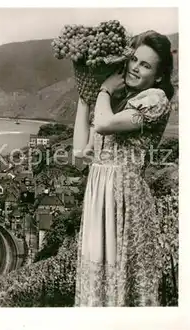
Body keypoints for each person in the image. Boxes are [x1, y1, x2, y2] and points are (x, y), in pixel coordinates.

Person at [72, 30, 175, 306]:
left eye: (146, 65)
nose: (135, 68)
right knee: (98, 284)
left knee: (122, 284)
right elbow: (80, 152)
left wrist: (104, 89)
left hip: (125, 201)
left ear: (160, 76)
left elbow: (104, 125)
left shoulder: (156, 99)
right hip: (98, 199)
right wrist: (85, 97)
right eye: (133, 60)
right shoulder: (115, 103)